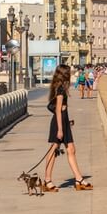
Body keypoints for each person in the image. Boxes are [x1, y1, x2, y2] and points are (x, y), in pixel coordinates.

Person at [42, 64, 93, 192]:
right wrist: (60, 129)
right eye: (69, 73)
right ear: (64, 74)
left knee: (71, 149)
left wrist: (67, 122)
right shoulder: (60, 89)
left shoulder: (61, 87)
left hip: (63, 122)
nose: (70, 75)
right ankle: (47, 180)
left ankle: (78, 179)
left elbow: (62, 110)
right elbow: (58, 110)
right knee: (53, 150)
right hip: (58, 123)